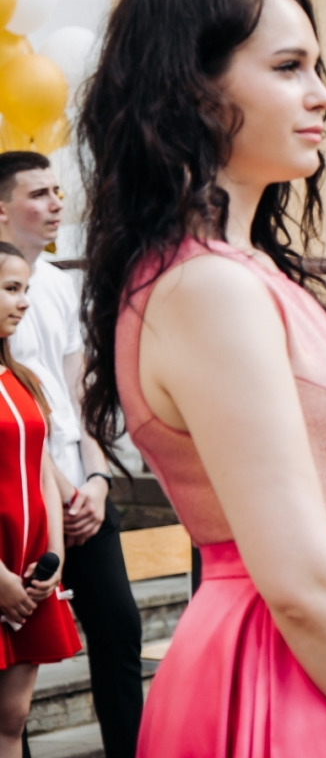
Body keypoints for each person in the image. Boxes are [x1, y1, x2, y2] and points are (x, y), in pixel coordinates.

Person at [77, 0, 326, 757]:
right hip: (279, 668)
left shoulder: (240, 272)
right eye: (288, 67)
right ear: (189, 90)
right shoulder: (208, 288)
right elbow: (303, 584)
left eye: (318, 67)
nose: (321, 94)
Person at [0, 152, 143, 758]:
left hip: (78, 492)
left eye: (60, 191)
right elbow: (20, 420)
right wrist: (59, 486)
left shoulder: (56, 283)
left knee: (119, 629)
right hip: (29, 492)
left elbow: (76, 393)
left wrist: (96, 476)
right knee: (15, 676)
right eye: (40, 193)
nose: (58, 203)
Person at [0, 241, 81, 758]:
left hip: (28, 574)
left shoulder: (21, 378)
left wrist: (54, 559)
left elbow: (43, 476)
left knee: (13, 718)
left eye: (26, 289)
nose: (24, 301)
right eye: (11, 288)